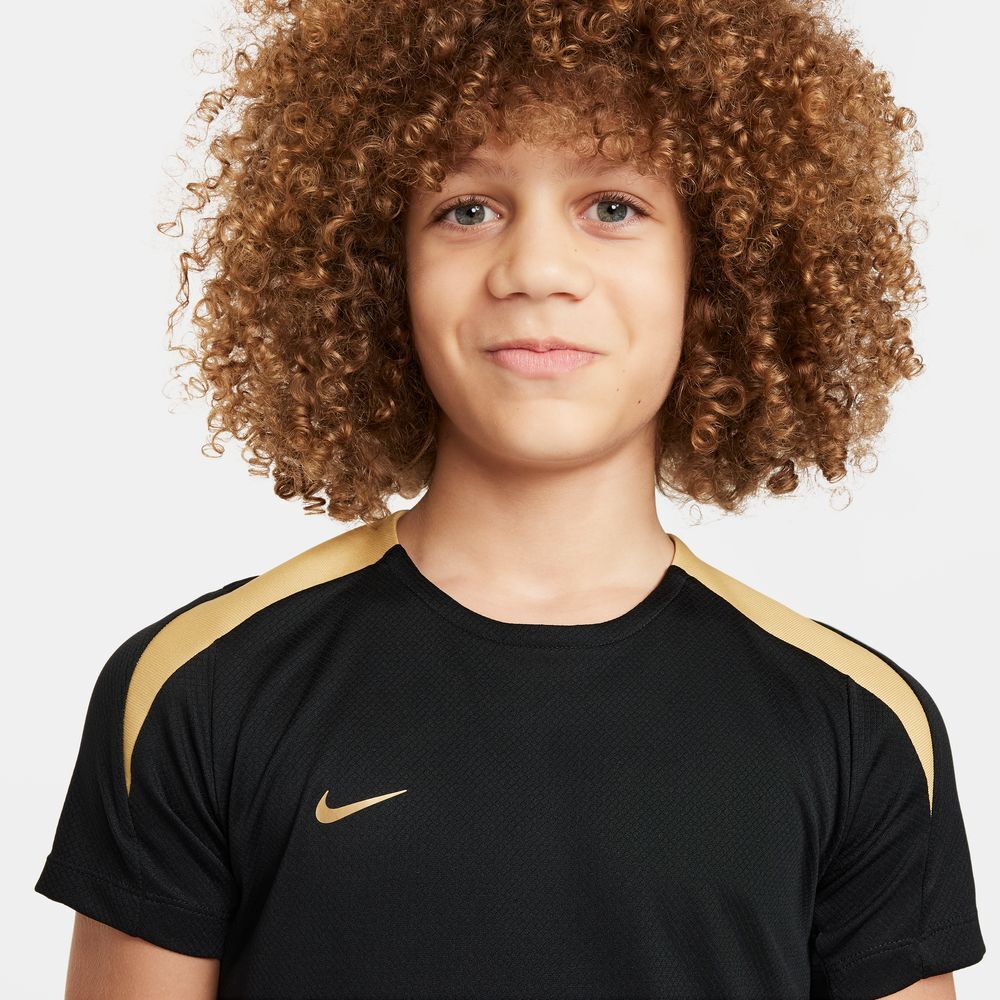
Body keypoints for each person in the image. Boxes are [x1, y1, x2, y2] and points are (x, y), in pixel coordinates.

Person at [36, 1, 985, 998]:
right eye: (468, 209)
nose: (535, 270)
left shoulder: (858, 727)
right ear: (381, 273)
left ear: (715, 276)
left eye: (612, 207)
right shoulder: (203, 690)